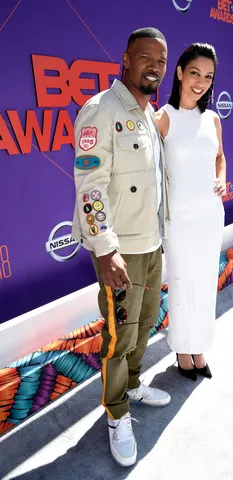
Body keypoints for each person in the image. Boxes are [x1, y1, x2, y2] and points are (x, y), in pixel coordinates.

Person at [72, 27, 171, 467]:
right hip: (121, 252)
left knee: (145, 324)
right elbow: (90, 187)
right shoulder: (101, 110)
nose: (155, 66)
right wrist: (106, 250)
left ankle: (132, 384)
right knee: (118, 336)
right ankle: (117, 412)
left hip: (151, 245)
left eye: (161, 61)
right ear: (126, 60)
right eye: (146, 57)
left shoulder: (148, 113)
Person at [156, 43, 226, 381]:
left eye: (208, 76)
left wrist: (222, 180)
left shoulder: (212, 119)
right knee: (183, 284)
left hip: (210, 216)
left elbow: (219, 159)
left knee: (204, 284)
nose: (201, 82)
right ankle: (182, 349)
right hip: (179, 219)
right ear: (180, 72)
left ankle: (199, 347)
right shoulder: (162, 119)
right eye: (194, 73)